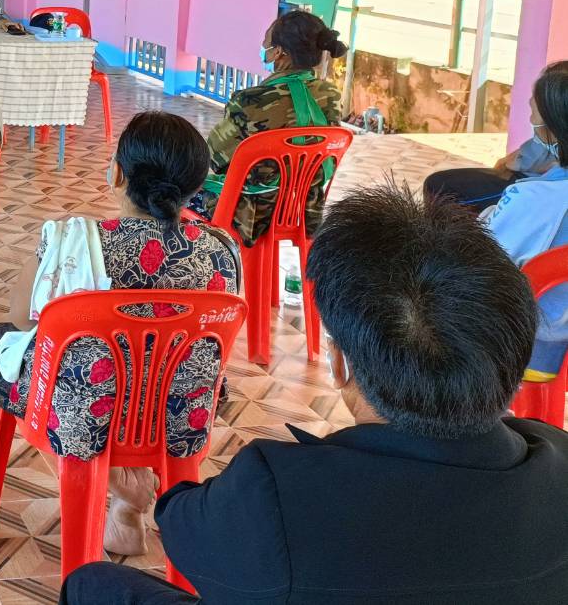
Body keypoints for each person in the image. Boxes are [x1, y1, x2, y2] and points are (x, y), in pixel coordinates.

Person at [63, 185, 568, 605]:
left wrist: (152, 500)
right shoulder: (556, 457)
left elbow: (185, 531)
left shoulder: (275, 494)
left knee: (92, 585)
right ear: (511, 350)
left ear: (339, 361)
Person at [0, 111, 240, 556]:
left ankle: (116, 480)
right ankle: (126, 505)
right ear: (195, 188)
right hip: (180, 415)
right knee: (154, 370)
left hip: (85, 417)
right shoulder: (222, 252)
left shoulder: (71, 241)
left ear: (116, 173)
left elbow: (21, 321)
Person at [192, 11, 345, 245]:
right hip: (306, 211)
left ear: (279, 52)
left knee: (174, 194)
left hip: (252, 216)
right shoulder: (331, 95)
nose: (264, 49)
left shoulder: (250, 101)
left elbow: (212, 158)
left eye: (267, 44)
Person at [477, 62, 568, 383]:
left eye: (535, 115)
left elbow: (481, 260)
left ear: (554, 131)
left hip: (529, 348)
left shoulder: (535, 199)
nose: (531, 118)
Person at [425, 60, 568, 213]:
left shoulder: (541, 188)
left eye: (535, 112)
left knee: (440, 187)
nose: (530, 102)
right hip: (523, 176)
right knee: (438, 182)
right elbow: (534, 147)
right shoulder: (551, 136)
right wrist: (509, 161)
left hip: (526, 181)